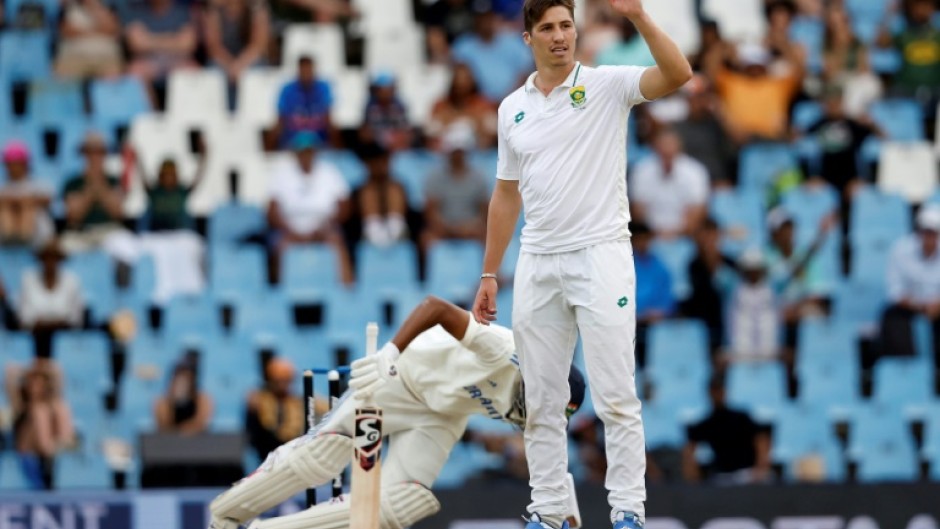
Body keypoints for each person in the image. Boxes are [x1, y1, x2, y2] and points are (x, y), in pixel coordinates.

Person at [471, 0, 692, 527]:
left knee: (616, 393)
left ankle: (627, 511)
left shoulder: (606, 85)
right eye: (546, 28)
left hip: (601, 254)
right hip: (539, 261)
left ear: (577, 31)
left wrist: (639, 18)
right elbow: (506, 196)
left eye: (566, 25)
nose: (559, 36)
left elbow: (679, 74)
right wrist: (488, 273)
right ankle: (548, 511)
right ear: (528, 38)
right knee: (543, 400)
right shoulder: (511, 108)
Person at [208, 296, 586, 529]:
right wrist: (391, 352)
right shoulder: (504, 351)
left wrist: (562, 505)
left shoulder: (544, 410)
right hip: (402, 380)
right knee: (321, 458)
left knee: (401, 504)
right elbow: (435, 307)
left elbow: (547, 455)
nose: (540, 413)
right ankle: (225, 515)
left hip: (442, 416)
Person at [267, 132, 354, 285]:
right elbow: (272, 212)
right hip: (291, 230)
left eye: (309, 151)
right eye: (301, 151)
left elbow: (345, 207)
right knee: (281, 247)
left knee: (337, 243)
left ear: (315, 151)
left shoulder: (329, 172)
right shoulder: (282, 174)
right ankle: (280, 295)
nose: (305, 156)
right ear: (295, 153)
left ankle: (346, 293)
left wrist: (325, 227)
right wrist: (291, 231)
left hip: (325, 228)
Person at [705, 42, 804, 143]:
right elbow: (710, 70)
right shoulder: (733, 82)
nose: (755, 69)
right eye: (751, 65)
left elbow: (799, 73)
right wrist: (722, 47)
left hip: (775, 141)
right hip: (743, 144)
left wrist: (782, 45)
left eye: (758, 65)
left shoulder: (777, 84)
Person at [682, 374, 771, 484]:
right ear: (708, 393)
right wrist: (693, 476)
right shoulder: (706, 423)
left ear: (725, 391)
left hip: (747, 474)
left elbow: (761, 439)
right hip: (721, 477)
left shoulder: (741, 417)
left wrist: (760, 468)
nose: (717, 394)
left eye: (720, 390)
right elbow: (689, 450)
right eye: (714, 391)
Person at [881, 205, 940, 369]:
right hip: (909, 306)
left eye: (934, 232)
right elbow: (894, 292)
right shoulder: (900, 249)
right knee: (892, 317)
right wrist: (920, 306)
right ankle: (909, 369)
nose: (929, 237)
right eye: (926, 231)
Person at [4, 360, 75, 489]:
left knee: (58, 408)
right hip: (27, 455)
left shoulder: (55, 404)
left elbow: (57, 371)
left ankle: (55, 455)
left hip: (52, 454)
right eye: (31, 382)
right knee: (39, 412)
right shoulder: (21, 405)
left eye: (39, 382)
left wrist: (41, 367)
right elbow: (9, 373)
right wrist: (27, 370)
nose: (35, 386)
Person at [629, 127, 709, 239]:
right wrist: (655, 234)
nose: (667, 150)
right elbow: (637, 212)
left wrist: (677, 234)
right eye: (663, 145)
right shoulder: (641, 171)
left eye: (670, 145)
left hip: (685, 238)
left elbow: (698, 211)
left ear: (679, 147)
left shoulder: (695, 171)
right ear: (655, 147)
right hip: (649, 239)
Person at [800, 85, 879, 197]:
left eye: (836, 101)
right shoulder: (817, 125)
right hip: (824, 180)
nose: (833, 105)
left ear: (842, 102)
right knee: (812, 191)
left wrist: (871, 123)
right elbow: (801, 146)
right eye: (829, 101)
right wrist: (811, 178)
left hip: (851, 179)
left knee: (860, 192)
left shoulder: (853, 125)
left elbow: (880, 140)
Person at [421, 124, 490, 250]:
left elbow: (484, 211)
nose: (458, 155)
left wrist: (471, 227)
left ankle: (489, 270)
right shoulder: (435, 176)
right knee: (426, 239)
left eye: (461, 151)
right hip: (442, 230)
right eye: (455, 152)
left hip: (471, 229)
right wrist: (448, 229)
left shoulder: (478, 177)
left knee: (487, 237)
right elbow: (431, 211)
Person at [452, 3, 534, 102]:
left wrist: (508, 99)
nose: (484, 22)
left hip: (515, 99)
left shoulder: (511, 40)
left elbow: (526, 71)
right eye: (480, 18)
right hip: (477, 105)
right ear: (474, 19)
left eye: (487, 17)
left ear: (494, 17)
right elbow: (460, 81)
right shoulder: (463, 46)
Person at [60, 133, 127, 255]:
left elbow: (119, 213)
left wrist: (100, 186)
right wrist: (90, 190)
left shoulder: (113, 180)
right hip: (82, 233)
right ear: (84, 154)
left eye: (99, 152)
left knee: (126, 245)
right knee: (64, 246)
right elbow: (73, 217)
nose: (95, 157)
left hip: (109, 231)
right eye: (90, 152)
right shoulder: (72, 183)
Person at [18, 240, 86, 358]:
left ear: (60, 260)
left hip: (65, 341)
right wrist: (52, 323)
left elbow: (76, 318)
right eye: (46, 258)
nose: (50, 262)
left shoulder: (72, 281)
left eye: (54, 258)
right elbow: (25, 318)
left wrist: (50, 323)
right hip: (34, 339)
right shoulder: (28, 279)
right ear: (41, 259)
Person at [681, 218, 737, 354]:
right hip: (702, 321)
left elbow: (732, 291)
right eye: (706, 236)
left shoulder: (730, 262)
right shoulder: (694, 265)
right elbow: (699, 292)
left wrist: (715, 261)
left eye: (713, 235)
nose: (709, 241)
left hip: (728, 320)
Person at [124, 0, 198, 98]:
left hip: (177, 60)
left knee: (193, 70)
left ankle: (183, 112)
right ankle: (149, 111)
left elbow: (188, 44)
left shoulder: (182, 11)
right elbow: (136, 44)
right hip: (147, 61)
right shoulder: (136, 9)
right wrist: (174, 39)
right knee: (135, 72)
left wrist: (149, 39)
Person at [204, 0, 270, 108]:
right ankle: (221, 115)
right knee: (215, 72)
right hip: (223, 59)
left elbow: (258, 45)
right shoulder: (214, 8)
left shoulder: (257, 7)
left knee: (256, 72)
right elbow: (213, 46)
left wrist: (239, 66)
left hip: (249, 59)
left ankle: (254, 111)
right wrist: (230, 66)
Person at [877, 0, 940, 112]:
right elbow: (881, 43)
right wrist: (889, 15)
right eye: (917, 6)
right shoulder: (905, 35)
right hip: (906, 89)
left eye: (926, 5)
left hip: (935, 90)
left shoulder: (937, 36)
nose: (921, 10)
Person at [673, 75, 736, 184]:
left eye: (702, 97)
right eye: (694, 98)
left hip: (717, 182)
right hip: (688, 183)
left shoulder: (716, 124)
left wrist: (720, 112)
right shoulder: (677, 127)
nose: (698, 102)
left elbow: (738, 142)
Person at [631, 222, 675, 368]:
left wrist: (658, 313)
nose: (643, 244)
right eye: (639, 239)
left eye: (646, 239)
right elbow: (619, 299)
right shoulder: (624, 266)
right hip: (628, 323)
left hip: (653, 325)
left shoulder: (661, 268)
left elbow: (667, 302)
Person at [427, 63, 497, 149]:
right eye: (457, 79)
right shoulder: (440, 106)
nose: (461, 83)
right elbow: (431, 138)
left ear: (472, 81)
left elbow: (490, 137)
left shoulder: (484, 105)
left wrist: (475, 126)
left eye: (465, 79)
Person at [245, 358, 304, 461]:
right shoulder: (259, 400)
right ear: (270, 380)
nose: (282, 385)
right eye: (278, 381)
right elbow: (257, 434)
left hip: (292, 454)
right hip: (266, 453)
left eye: (286, 381)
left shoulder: (296, 402)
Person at [0, 141, 54, 248]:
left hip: (37, 237)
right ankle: (11, 238)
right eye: (10, 164)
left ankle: (24, 237)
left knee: (27, 207)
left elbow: (47, 200)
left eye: (16, 163)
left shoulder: (39, 185)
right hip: (7, 235)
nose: (13, 167)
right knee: (6, 209)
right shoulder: (3, 188)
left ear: (25, 164)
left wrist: (21, 202)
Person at [354, 142, 409, 248]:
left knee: (394, 189)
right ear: (368, 164)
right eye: (376, 162)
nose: (380, 166)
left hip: (398, 233)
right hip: (368, 235)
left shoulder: (398, 186)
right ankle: (375, 230)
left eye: (384, 161)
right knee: (368, 192)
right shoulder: (361, 189)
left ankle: (394, 226)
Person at [276, 56, 335, 149]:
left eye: (308, 70)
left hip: (319, 143)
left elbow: (328, 119)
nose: (306, 74)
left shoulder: (323, 88)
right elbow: (280, 120)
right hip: (292, 143)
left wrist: (338, 147)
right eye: (303, 70)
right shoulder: (287, 90)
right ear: (298, 70)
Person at [54, 0, 123, 79]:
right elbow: (66, 31)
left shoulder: (108, 7)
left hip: (105, 57)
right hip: (74, 57)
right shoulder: (69, 7)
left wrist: (94, 10)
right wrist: (95, 31)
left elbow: (113, 29)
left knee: (114, 75)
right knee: (63, 76)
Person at [154, 360, 213, 434]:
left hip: (197, 440)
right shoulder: (163, 401)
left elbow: (201, 422)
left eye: (187, 379)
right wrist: (172, 401)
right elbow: (164, 424)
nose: (183, 383)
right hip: (171, 440)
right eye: (179, 379)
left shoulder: (202, 398)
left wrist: (186, 429)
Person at [359, 73, 413, 152]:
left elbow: (405, 130)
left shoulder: (399, 106)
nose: (385, 93)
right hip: (377, 146)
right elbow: (366, 132)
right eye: (381, 90)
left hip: (396, 145)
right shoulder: (370, 106)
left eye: (388, 90)